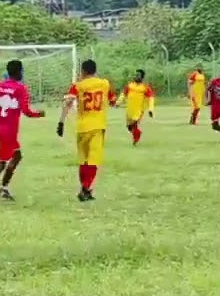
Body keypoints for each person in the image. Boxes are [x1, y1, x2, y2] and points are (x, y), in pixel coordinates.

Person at [0, 59, 44, 203]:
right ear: (19, 72)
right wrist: (39, 114)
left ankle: (4, 188)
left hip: (1, 129)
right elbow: (27, 111)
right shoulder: (20, 88)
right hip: (10, 132)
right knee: (1, 163)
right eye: (22, 71)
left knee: (17, 156)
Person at [61, 59, 116, 202]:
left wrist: (61, 122)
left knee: (83, 160)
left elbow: (67, 103)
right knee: (94, 159)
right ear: (95, 70)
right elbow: (113, 100)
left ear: (83, 71)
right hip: (98, 125)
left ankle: (84, 190)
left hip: (82, 127)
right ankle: (85, 188)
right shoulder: (104, 83)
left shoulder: (77, 86)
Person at [120, 69, 155, 145]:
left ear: (142, 77)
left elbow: (151, 98)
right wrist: (118, 102)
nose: (136, 76)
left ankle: (136, 137)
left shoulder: (145, 87)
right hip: (129, 110)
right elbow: (123, 94)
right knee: (130, 127)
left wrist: (150, 109)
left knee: (134, 124)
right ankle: (136, 135)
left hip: (139, 110)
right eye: (135, 75)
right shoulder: (129, 86)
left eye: (138, 75)